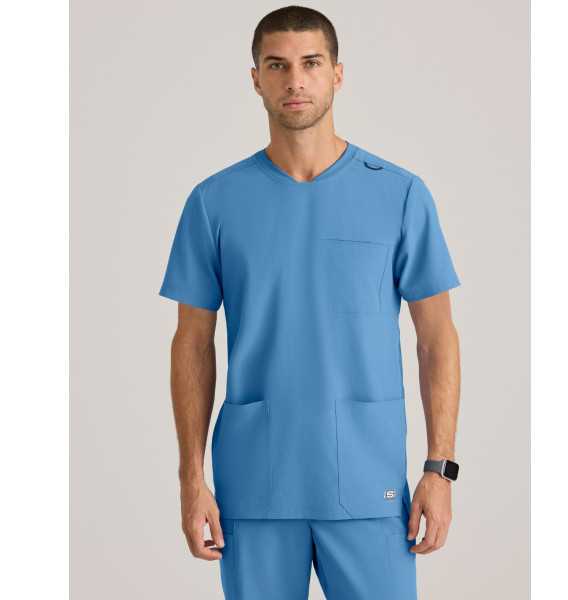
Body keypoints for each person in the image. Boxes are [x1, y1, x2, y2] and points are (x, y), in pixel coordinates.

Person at [158, 5, 461, 599]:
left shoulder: (399, 194)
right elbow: (192, 343)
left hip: (371, 483)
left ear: (337, 74)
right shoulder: (214, 203)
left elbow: (436, 338)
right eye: (277, 65)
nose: (295, 80)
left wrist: (439, 469)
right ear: (256, 79)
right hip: (254, 487)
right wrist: (191, 479)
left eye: (311, 63)